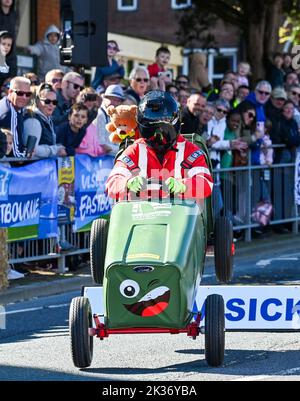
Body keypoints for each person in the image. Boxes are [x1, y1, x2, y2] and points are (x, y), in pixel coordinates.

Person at [106, 90, 213, 201]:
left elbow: (206, 183)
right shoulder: (134, 150)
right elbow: (112, 182)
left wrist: (184, 186)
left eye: (164, 125)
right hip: (141, 215)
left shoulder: (191, 152)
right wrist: (126, 183)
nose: (159, 136)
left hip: (178, 215)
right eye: (152, 126)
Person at [23, 83, 66, 158]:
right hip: (31, 167)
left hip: (43, 166)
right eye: (47, 101)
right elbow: (32, 150)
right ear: (37, 101)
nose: (51, 105)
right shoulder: (33, 120)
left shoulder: (47, 119)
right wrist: (55, 150)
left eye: (54, 102)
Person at [0, 76, 32, 157]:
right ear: (10, 92)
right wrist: (28, 153)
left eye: (28, 94)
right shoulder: (9, 113)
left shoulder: (13, 106)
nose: (24, 97)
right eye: (20, 93)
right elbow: (15, 153)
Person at [93, 84, 125, 156]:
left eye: (118, 100)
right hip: (99, 159)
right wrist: (123, 150)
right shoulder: (100, 114)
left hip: (110, 156)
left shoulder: (115, 115)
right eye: (112, 99)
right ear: (104, 99)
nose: (115, 103)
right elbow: (102, 145)